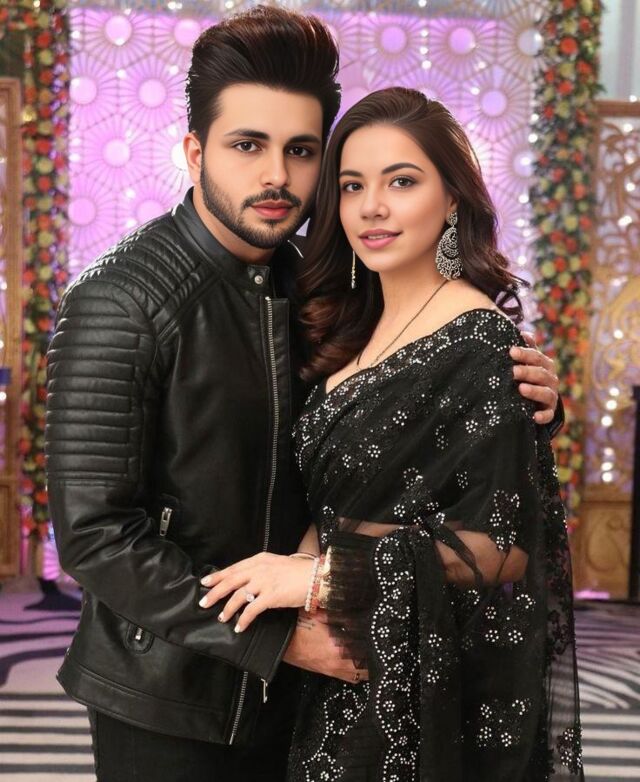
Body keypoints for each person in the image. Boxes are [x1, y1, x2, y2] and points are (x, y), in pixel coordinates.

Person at [46, 6, 561, 779]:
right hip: (170, 698)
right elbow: (95, 536)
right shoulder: (120, 301)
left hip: (309, 691)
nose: (277, 177)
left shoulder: (323, 285)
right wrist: (276, 637)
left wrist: (529, 401)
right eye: (247, 145)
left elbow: (403, 417)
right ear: (194, 151)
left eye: (301, 151)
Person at [201, 88, 583, 781]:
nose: (371, 207)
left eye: (401, 182)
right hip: (328, 663)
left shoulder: (480, 343)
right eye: (352, 186)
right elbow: (332, 496)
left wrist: (319, 576)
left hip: (413, 694)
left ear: (453, 199)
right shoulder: (349, 324)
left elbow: (502, 551)